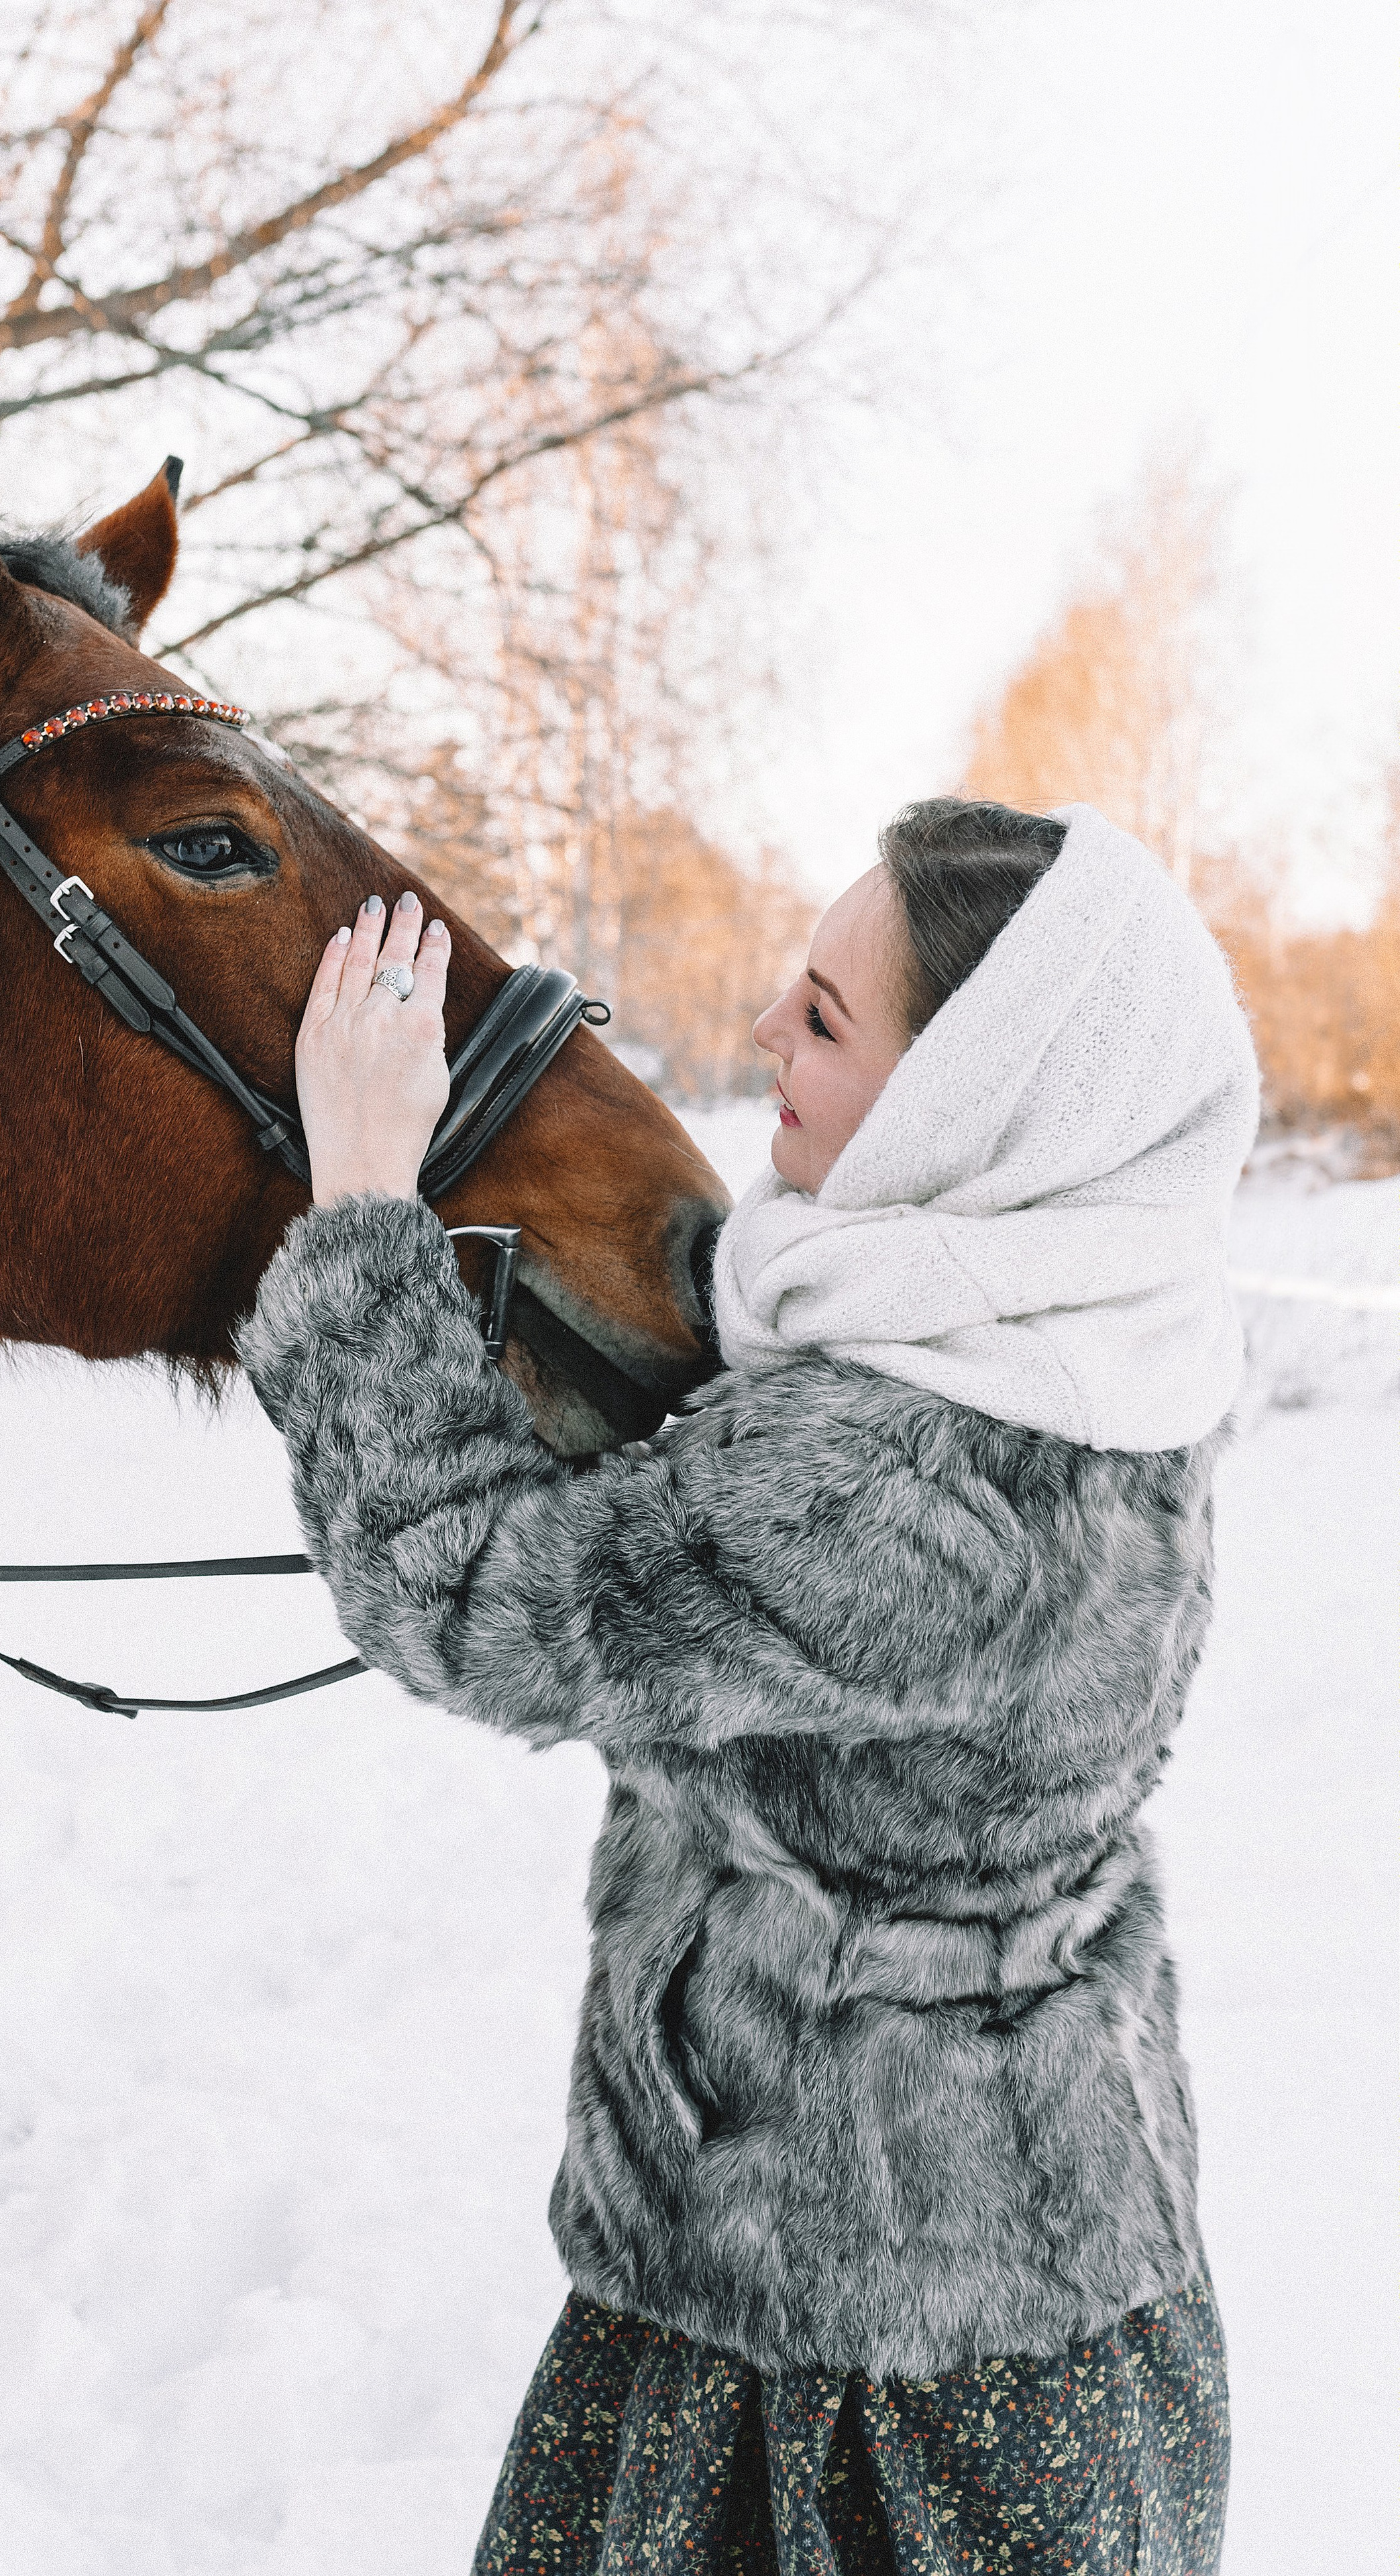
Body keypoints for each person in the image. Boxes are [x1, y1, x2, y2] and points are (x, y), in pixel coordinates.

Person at [238, 798, 1258, 2574]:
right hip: (1016, 2264)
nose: (765, 1038)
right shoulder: (1094, 1336)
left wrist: (362, 1213)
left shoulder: (900, 1482)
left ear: (969, 1102)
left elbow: (471, 1598)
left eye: (826, 1017)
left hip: (854, 2378)